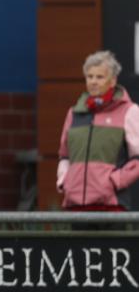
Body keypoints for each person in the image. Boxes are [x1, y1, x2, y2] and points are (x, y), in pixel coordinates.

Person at [57, 50, 139, 221]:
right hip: (76, 206)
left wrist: (114, 181)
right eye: (90, 76)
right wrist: (65, 180)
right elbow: (64, 156)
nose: (93, 81)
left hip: (112, 207)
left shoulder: (129, 111)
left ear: (112, 80)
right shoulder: (74, 113)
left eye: (100, 77)